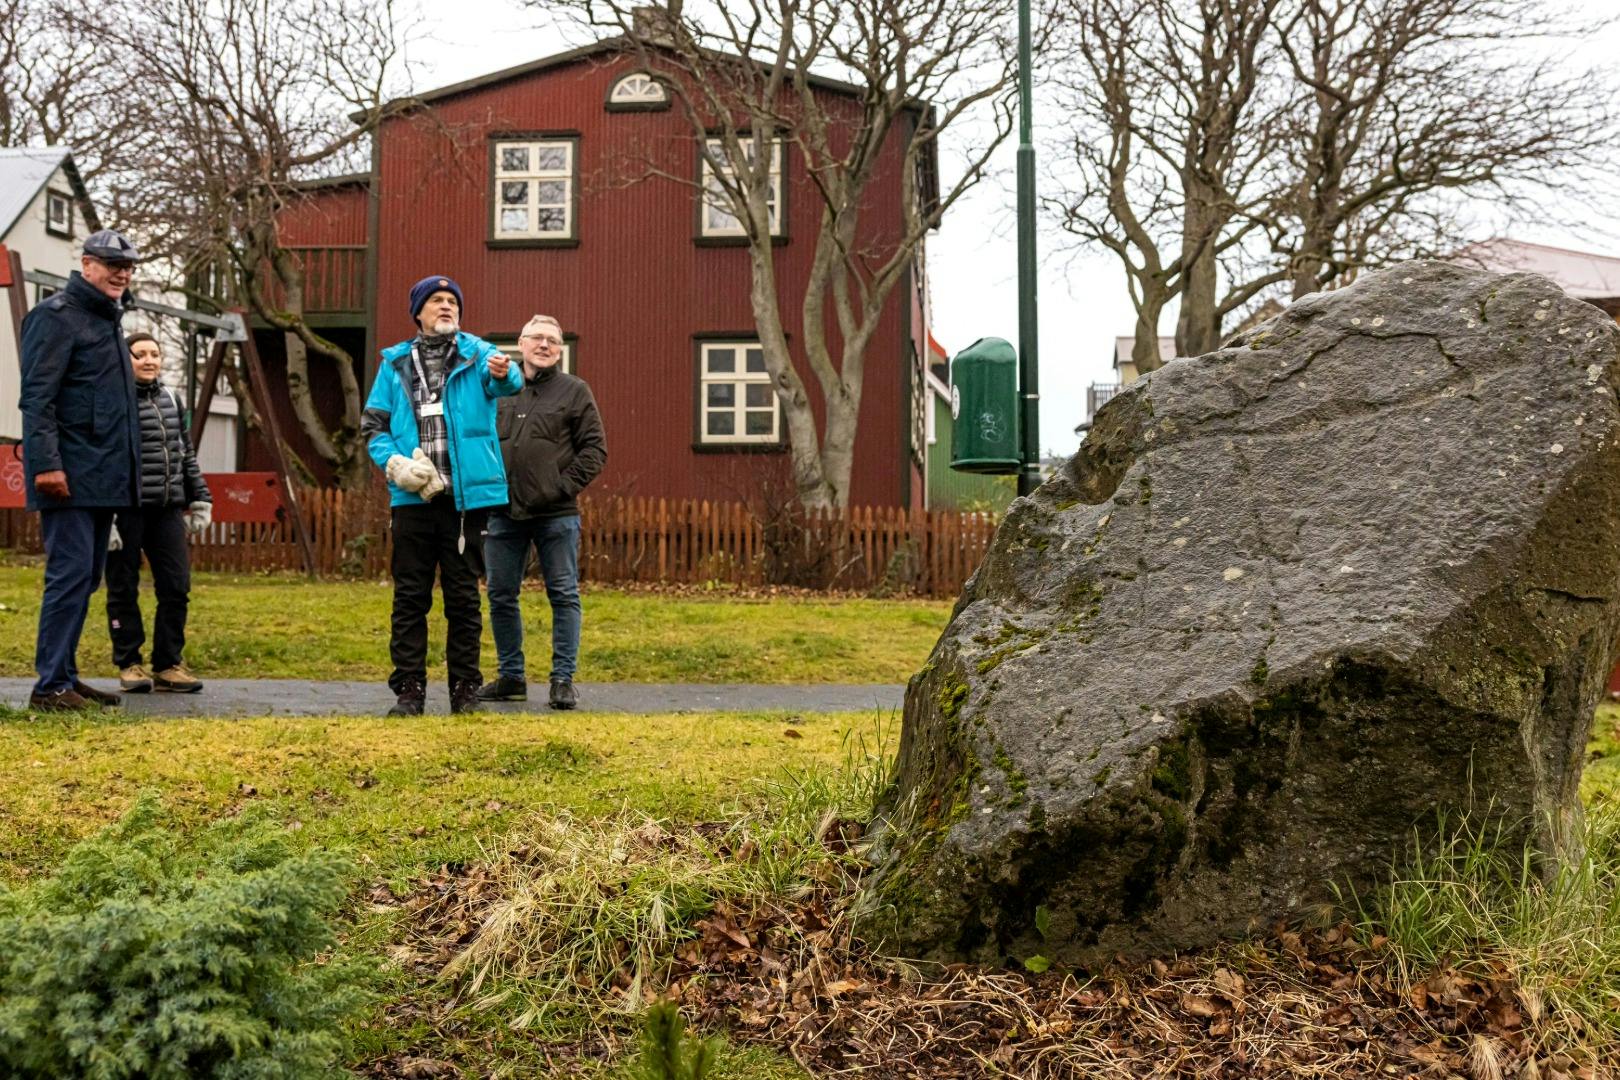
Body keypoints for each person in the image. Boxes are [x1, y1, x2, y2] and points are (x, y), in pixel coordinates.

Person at [361, 275, 522, 716]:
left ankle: (465, 693)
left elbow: (509, 383)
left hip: (465, 502)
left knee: (463, 598)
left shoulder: (479, 354)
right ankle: (409, 693)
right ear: (418, 312)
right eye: (437, 300)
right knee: (410, 597)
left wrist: (506, 372)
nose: (446, 306)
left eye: (453, 301)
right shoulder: (393, 363)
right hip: (412, 501)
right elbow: (373, 426)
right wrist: (395, 465)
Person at [18, 230, 143, 711]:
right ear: (87, 264)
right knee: (69, 577)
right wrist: (46, 465)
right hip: (68, 476)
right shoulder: (56, 318)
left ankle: (65, 677)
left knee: (87, 577)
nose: (121, 273)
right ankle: (49, 687)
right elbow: (37, 399)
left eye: (128, 266)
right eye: (112, 264)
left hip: (103, 477)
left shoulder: (107, 321)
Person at [478, 314, 606, 709]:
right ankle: (511, 677)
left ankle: (562, 680)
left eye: (553, 340)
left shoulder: (574, 391)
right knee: (501, 594)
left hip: (556, 514)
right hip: (502, 512)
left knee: (563, 594)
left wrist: (559, 488)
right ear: (522, 343)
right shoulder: (499, 390)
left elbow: (595, 451)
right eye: (538, 338)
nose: (545, 345)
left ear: (560, 350)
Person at [105, 332, 212, 693]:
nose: (149, 360)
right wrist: (104, 515)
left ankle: (168, 664)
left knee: (176, 586)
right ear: (125, 358)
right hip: (125, 509)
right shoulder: (113, 399)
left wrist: (200, 498)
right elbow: (104, 457)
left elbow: (186, 453)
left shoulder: (171, 398)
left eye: (155, 354)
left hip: (167, 508)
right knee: (123, 587)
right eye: (140, 355)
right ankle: (130, 664)